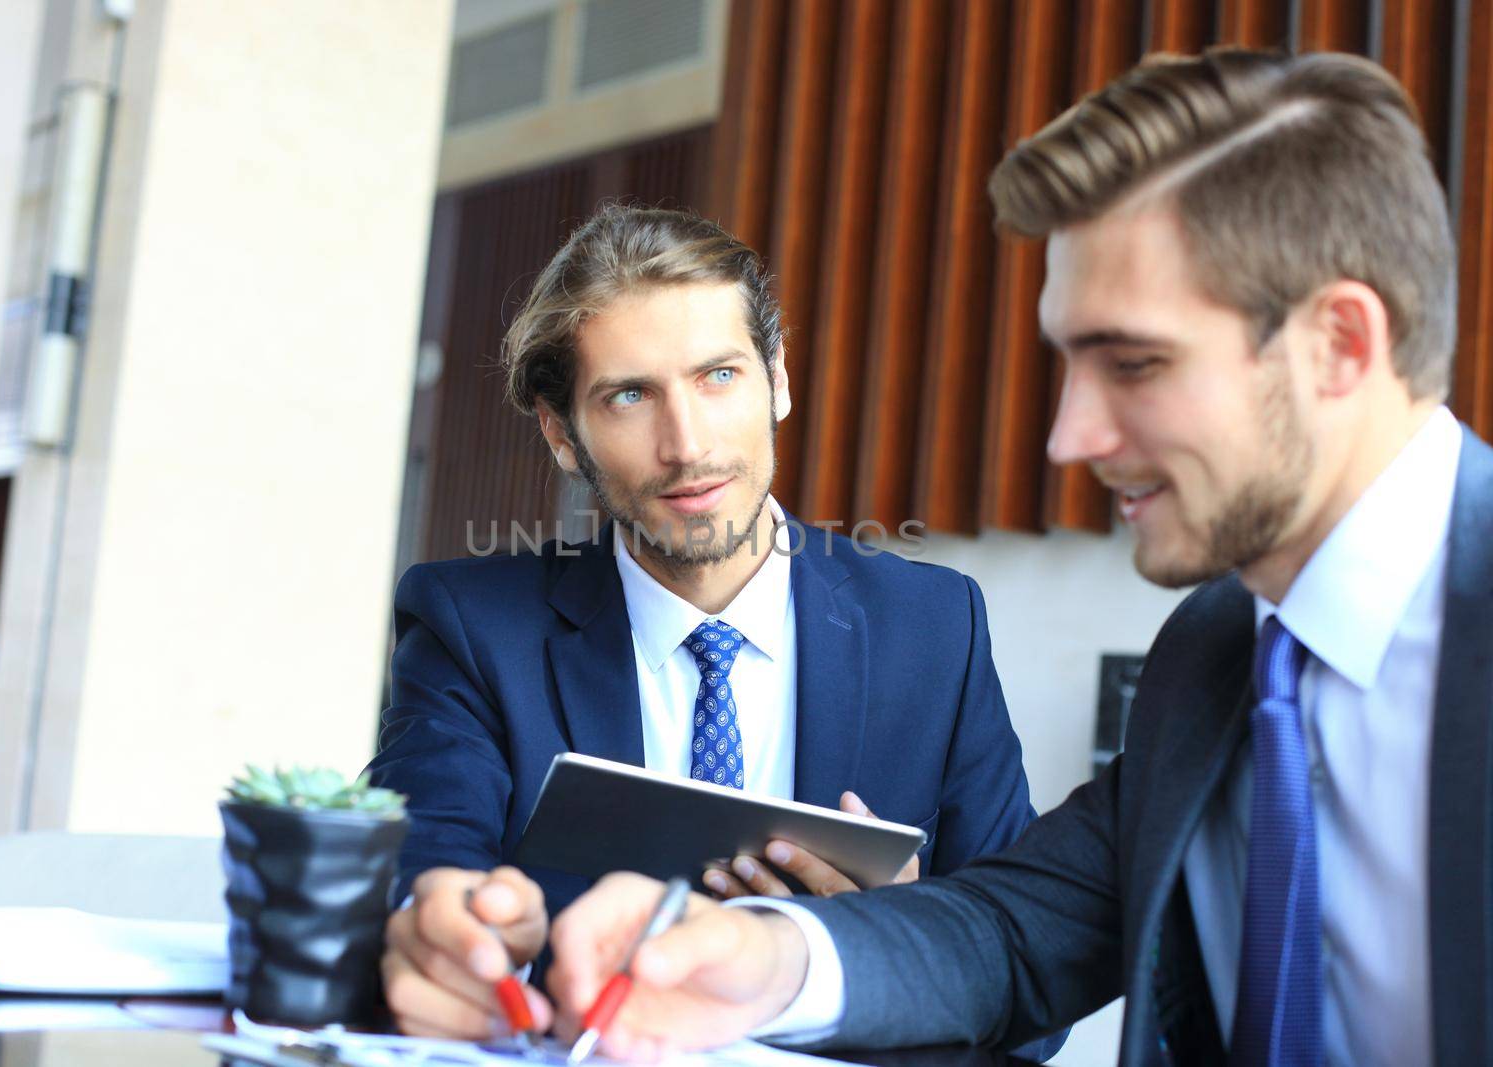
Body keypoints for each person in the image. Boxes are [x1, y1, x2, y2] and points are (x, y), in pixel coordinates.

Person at [538, 48, 1490, 1066]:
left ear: (1340, 344)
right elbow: (1015, 929)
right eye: (1066, 362)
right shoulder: (1215, 655)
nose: (1067, 436)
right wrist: (755, 955)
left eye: (1133, 362)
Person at [367, 206, 1053, 1052]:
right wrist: (441, 920)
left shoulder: (936, 628)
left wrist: (899, 942)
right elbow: (426, 849)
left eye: (719, 376)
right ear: (561, 434)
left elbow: (1028, 989)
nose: (685, 445)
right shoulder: (472, 626)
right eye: (628, 395)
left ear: (779, 380)